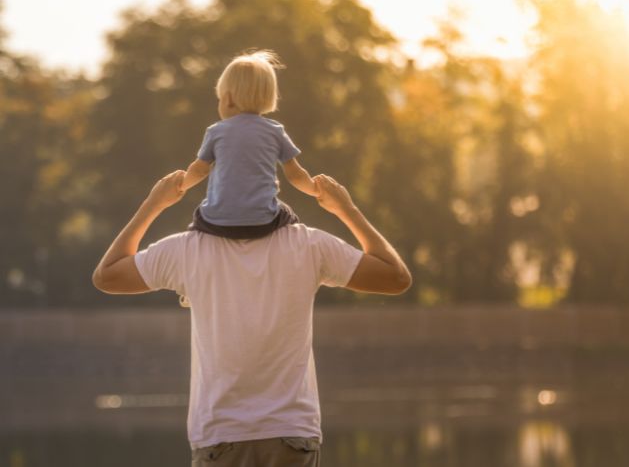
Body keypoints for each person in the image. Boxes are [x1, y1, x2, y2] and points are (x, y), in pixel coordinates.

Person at [92, 170, 412, 467]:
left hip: (220, 436)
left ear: (214, 193)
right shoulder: (309, 244)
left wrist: (153, 204)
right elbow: (395, 278)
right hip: (291, 434)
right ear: (273, 190)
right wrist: (346, 209)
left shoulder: (186, 250)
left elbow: (107, 276)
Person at [180, 49, 318, 241]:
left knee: (199, 214)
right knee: (288, 214)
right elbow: (295, 175)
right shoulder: (275, 131)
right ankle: (293, 247)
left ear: (227, 99)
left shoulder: (216, 131)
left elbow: (200, 171)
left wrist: (180, 185)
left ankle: (197, 245)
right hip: (263, 223)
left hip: (216, 223)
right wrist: (315, 190)